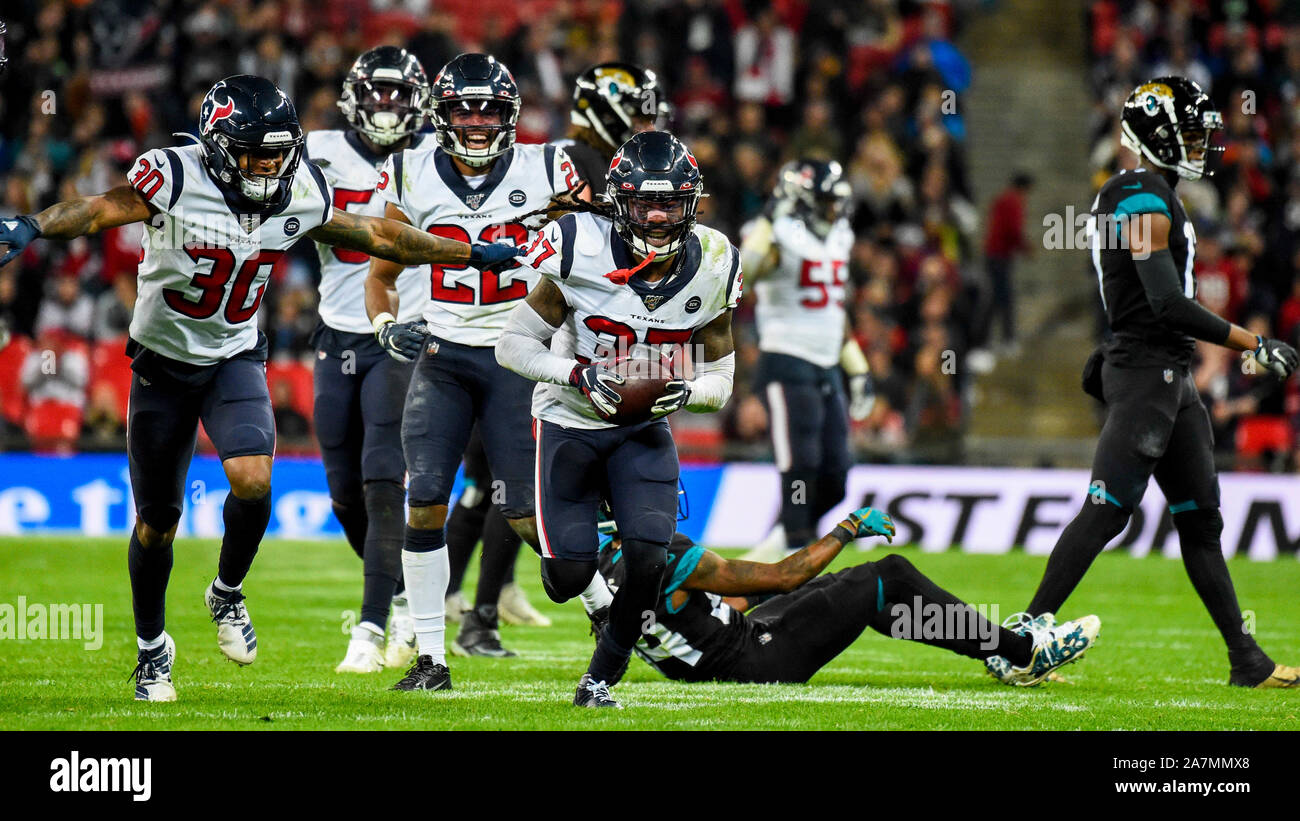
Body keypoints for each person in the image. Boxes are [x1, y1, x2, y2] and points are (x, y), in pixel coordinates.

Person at [0, 74, 521, 702]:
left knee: (253, 479)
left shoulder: (299, 190)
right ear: (220, 147)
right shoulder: (175, 174)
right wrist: (33, 224)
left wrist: (462, 254)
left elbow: (379, 236)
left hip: (234, 355)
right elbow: (101, 208)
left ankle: (225, 591)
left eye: (278, 153)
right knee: (157, 522)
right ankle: (151, 651)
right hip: (161, 364)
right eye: (255, 153)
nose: (269, 166)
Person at [995, 77, 1300, 688]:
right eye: (1190, 131)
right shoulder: (1136, 193)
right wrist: (1252, 342)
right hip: (1146, 371)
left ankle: (1247, 660)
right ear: (1156, 136)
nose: (1201, 143)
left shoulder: (1153, 192)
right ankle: (1017, 645)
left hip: (1170, 376)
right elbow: (1163, 299)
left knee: (1201, 524)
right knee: (1106, 512)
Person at [497, 131, 742, 708]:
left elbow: (722, 381)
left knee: (649, 560)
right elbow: (511, 345)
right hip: (569, 421)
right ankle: (584, 544)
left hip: (641, 431)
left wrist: (681, 393)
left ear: (693, 203)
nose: (657, 217)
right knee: (564, 580)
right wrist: (576, 375)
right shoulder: (578, 243)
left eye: (671, 203)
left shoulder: (713, 260)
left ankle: (599, 679)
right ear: (617, 202)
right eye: (643, 203)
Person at [363, 53, 584, 692]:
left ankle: (613, 612)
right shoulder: (407, 172)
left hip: (522, 358)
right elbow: (382, 276)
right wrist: (384, 327)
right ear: (443, 112)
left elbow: (593, 250)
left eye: (489, 108)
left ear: (510, 114)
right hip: (445, 357)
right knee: (425, 498)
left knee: (525, 513)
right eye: (465, 107)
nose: (478, 120)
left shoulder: (549, 166)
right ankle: (431, 657)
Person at [597, 507, 1100, 687]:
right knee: (891, 572)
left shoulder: (599, 568)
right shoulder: (660, 554)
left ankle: (993, 651)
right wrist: (848, 527)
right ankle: (1024, 653)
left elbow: (687, 617)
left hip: (721, 652)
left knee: (871, 597)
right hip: (753, 659)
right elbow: (780, 577)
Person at [304, 45, 432, 674]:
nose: (387, 106)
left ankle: (371, 628)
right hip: (334, 331)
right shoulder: (314, 149)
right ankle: (406, 593)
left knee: (384, 477)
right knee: (344, 493)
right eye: (377, 93)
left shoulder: (433, 159)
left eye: (399, 95)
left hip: (401, 332)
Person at [739, 159, 874, 557]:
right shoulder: (773, 233)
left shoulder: (839, 235)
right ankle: (793, 547)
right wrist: (768, 222)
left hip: (827, 363)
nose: (835, 210)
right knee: (801, 468)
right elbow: (742, 276)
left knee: (835, 475)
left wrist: (857, 366)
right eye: (826, 201)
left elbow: (833, 310)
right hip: (786, 359)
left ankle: (777, 549)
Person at [443, 426, 551, 661]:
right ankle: (482, 607)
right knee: (502, 490)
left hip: (493, 406)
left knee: (490, 492)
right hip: (486, 406)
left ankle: (488, 597)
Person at [558, 62, 669, 188]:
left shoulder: (619, 162)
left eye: (652, 121)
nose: (651, 129)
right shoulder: (574, 160)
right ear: (607, 115)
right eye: (641, 120)